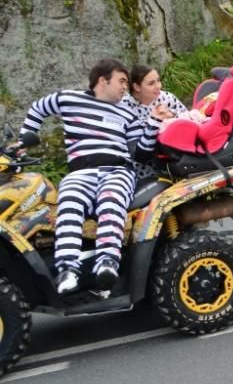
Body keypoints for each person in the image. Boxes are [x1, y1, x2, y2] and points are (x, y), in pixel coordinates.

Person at [20, 59, 161, 294]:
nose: (125, 87)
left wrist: (154, 122)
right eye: (121, 81)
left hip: (117, 169)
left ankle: (107, 263)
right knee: (69, 203)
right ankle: (68, 270)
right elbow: (37, 108)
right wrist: (25, 139)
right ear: (102, 80)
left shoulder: (127, 113)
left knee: (111, 202)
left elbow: (140, 152)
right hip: (80, 172)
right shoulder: (68, 99)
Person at [120, 64, 189, 179]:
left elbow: (189, 121)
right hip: (141, 165)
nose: (158, 86)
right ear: (137, 87)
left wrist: (171, 116)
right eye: (151, 83)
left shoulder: (167, 98)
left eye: (158, 81)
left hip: (173, 157)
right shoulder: (124, 106)